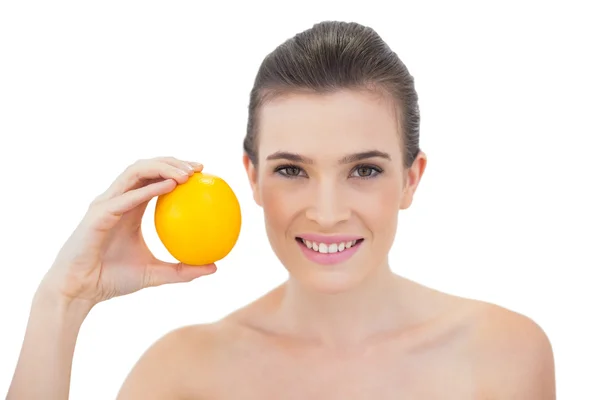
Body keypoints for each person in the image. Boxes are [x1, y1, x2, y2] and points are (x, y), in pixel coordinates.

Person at [7, 21, 556, 399]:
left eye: (364, 170)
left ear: (411, 179)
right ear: (253, 178)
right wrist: (63, 301)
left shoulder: (505, 353)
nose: (326, 212)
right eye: (292, 170)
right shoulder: (180, 373)